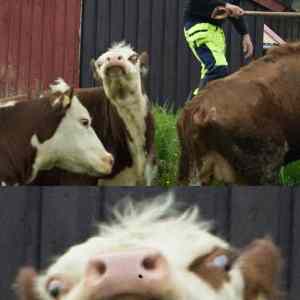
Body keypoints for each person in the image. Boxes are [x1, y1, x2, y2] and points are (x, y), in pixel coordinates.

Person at [184, 0, 254, 96]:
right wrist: (226, 5)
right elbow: (196, 3)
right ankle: (194, 108)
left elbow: (234, 11)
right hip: (199, 27)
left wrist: (245, 34)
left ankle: (195, 107)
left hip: (216, 33)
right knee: (218, 68)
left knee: (212, 74)